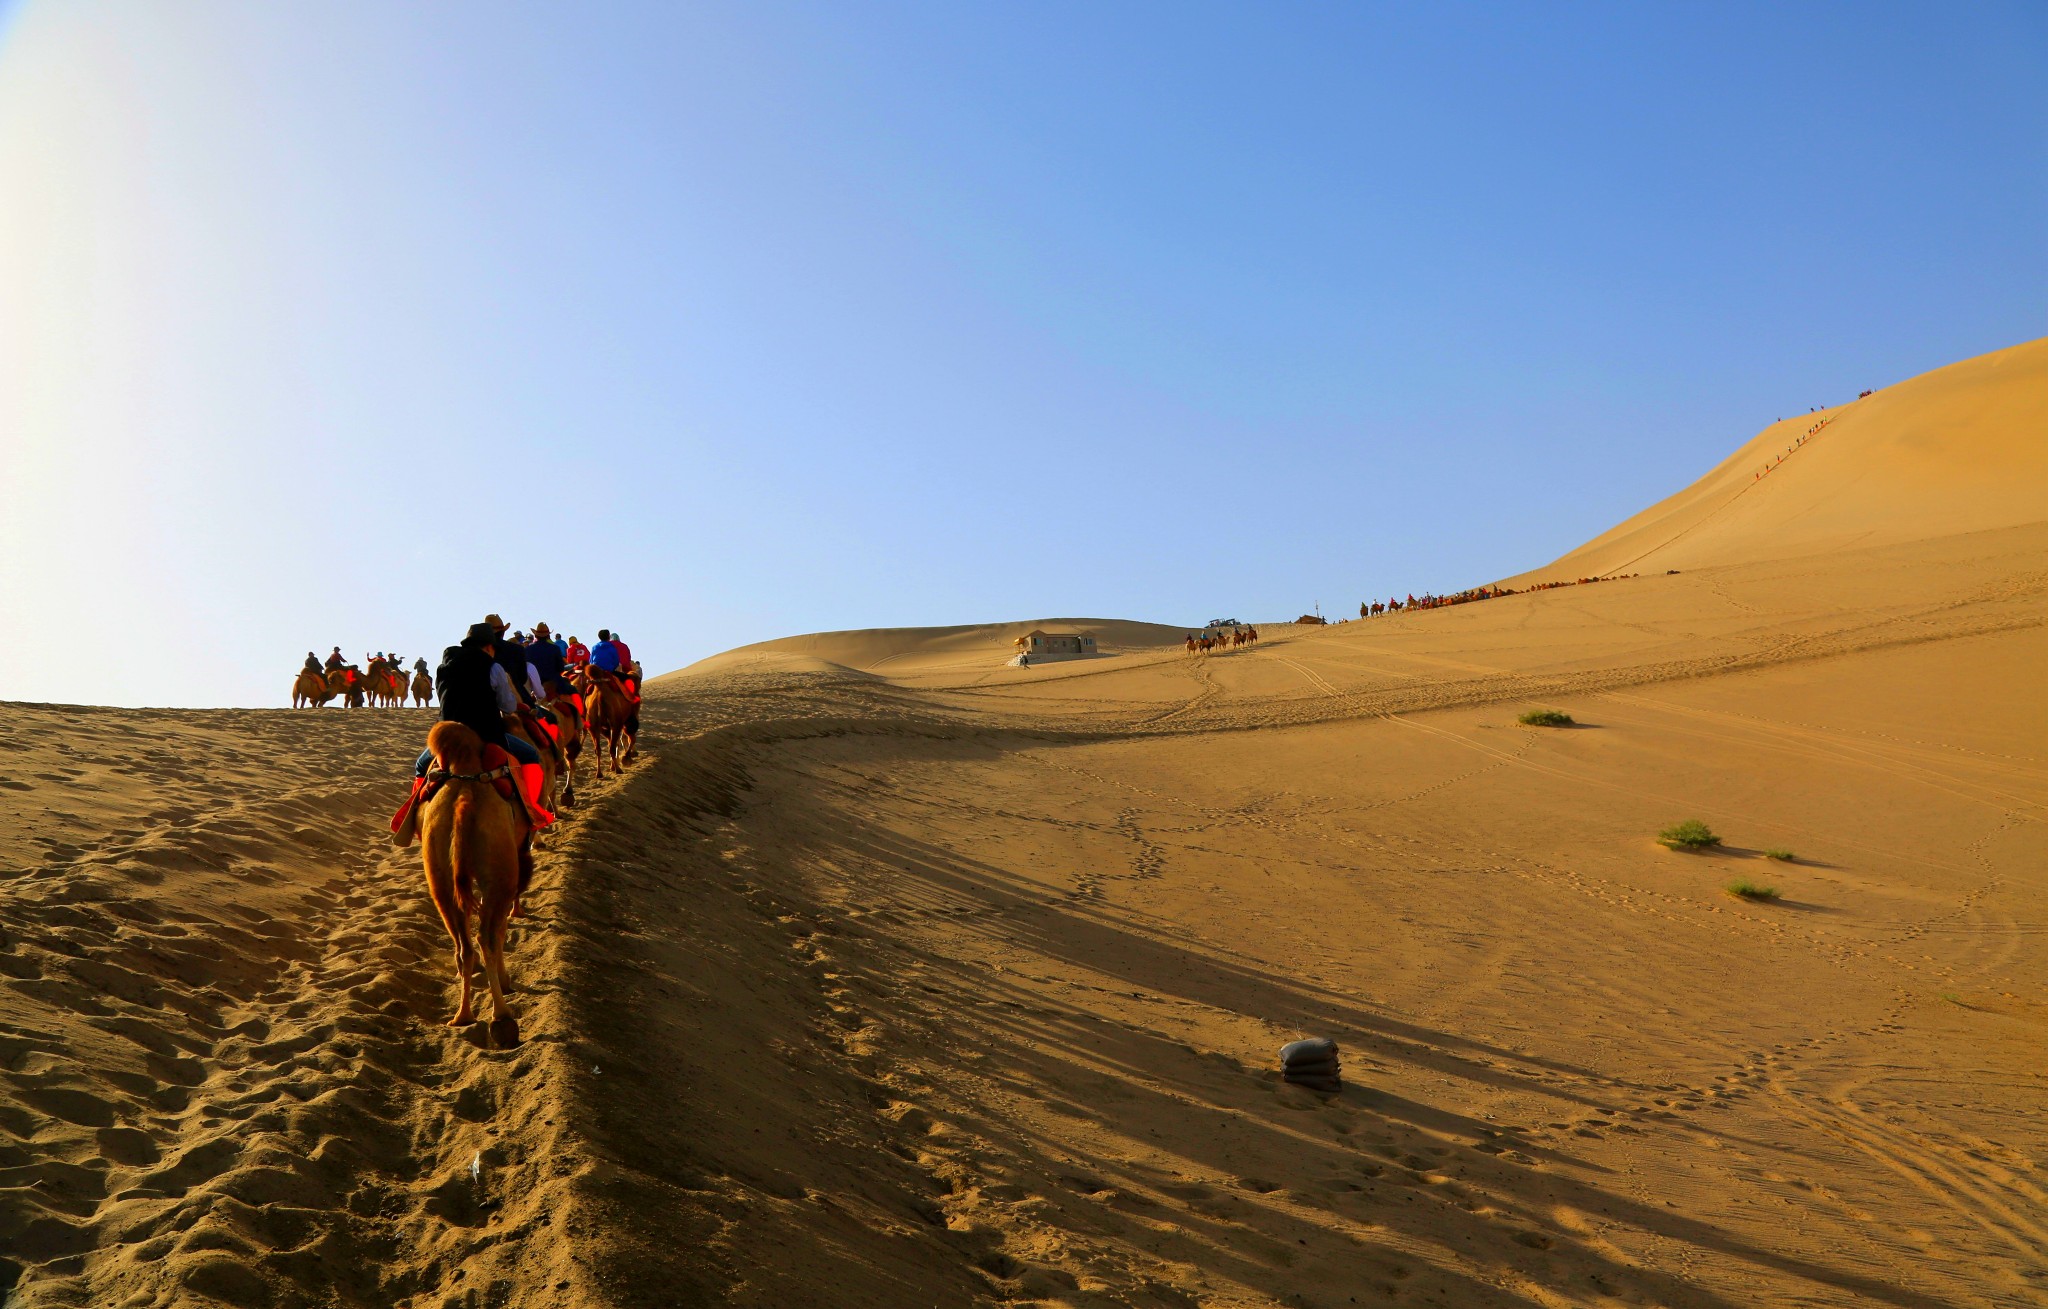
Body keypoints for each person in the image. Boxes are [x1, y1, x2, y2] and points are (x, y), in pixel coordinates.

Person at [527, 622, 566, 696]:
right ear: (548, 636)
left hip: (532, 686)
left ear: (535, 635)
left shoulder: (528, 649)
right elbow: (561, 668)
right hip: (554, 684)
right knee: (573, 691)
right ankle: (579, 707)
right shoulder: (555, 649)